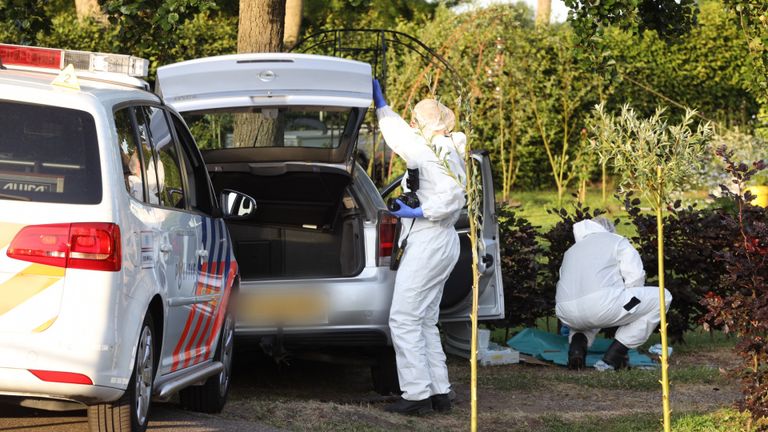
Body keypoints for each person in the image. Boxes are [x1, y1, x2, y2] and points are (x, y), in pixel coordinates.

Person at [372, 79, 466, 415]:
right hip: (440, 241)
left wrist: (420, 210)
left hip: (431, 238)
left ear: (424, 125)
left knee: (403, 319)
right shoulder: (444, 148)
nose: (411, 124)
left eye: (415, 119)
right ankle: (439, 392)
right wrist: (383, 107)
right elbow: (403, 137)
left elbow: (454, 197)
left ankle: (415, 396)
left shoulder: (433, 153)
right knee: (425, 319)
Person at [555, 216, 672, 371]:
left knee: (586, 313)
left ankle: (577, 349)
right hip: (601, 306)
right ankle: (615, 354)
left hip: (566, 314)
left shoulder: (570, 251)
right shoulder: (616, 240)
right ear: (607, 229)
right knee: (663, 297)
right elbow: (635, 277)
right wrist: (630, 306)